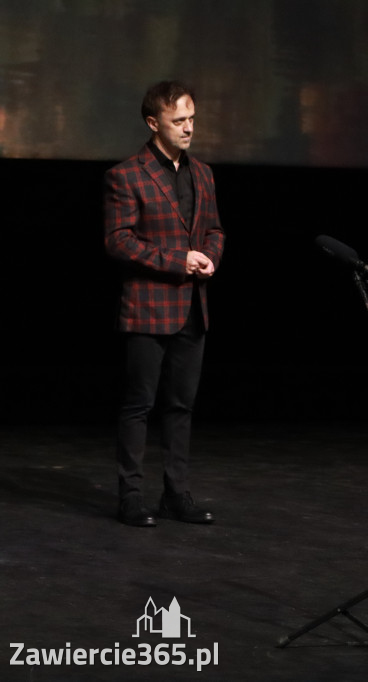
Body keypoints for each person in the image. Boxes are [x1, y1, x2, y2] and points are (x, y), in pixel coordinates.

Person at [104, 80, 225, 527]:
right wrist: (179, 260)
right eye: (179, 121)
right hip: (148, 306)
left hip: (193, 307)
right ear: (154, 123)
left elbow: (214, 230)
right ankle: (131, 497)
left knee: (181, 406)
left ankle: (177, 494)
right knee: (139, 405)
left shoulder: (204, 173)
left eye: (192, 119)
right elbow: (118, 241)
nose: (189, 128)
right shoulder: (126, 175)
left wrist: (209, 257)